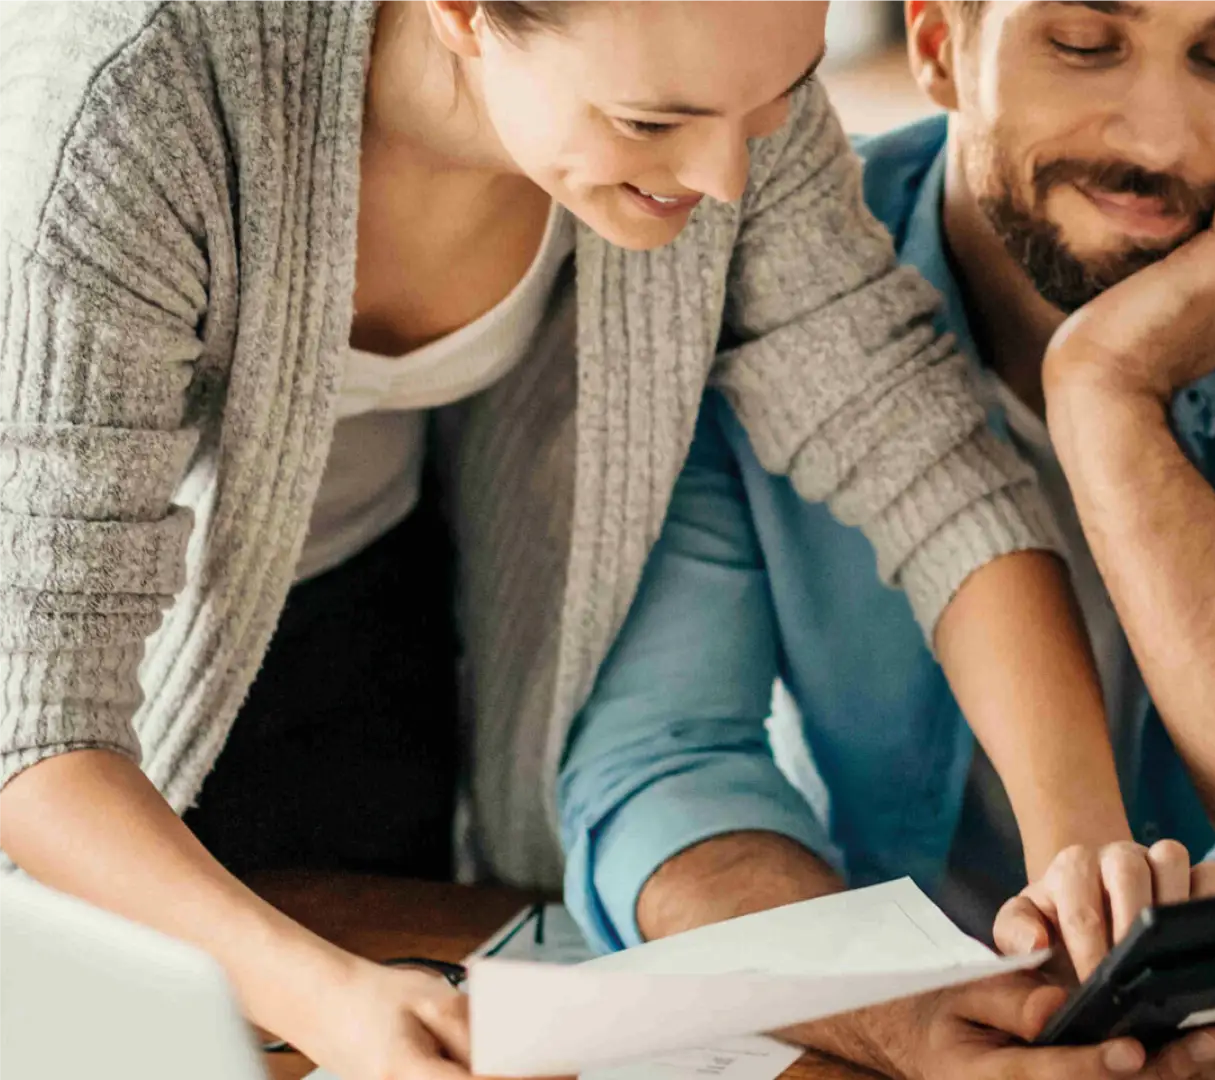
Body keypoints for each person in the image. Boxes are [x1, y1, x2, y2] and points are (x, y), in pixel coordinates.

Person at [0, 1, 1149, 1077]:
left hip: (386, 618)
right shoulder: (129, 103)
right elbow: (37, 730)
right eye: (653, 122)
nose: (725, 175)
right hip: (110, 748)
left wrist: (1082, 864)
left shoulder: (717, 69)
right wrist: (325, 999)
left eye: (774, 103)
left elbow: (922, 459)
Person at [560, 1, 1215, 1078]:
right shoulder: (756, 291)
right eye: (1084, 45)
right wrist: (887, 1009)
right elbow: (659, 777)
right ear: (941, 47)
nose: (1159, 139)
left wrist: (1107, 404)